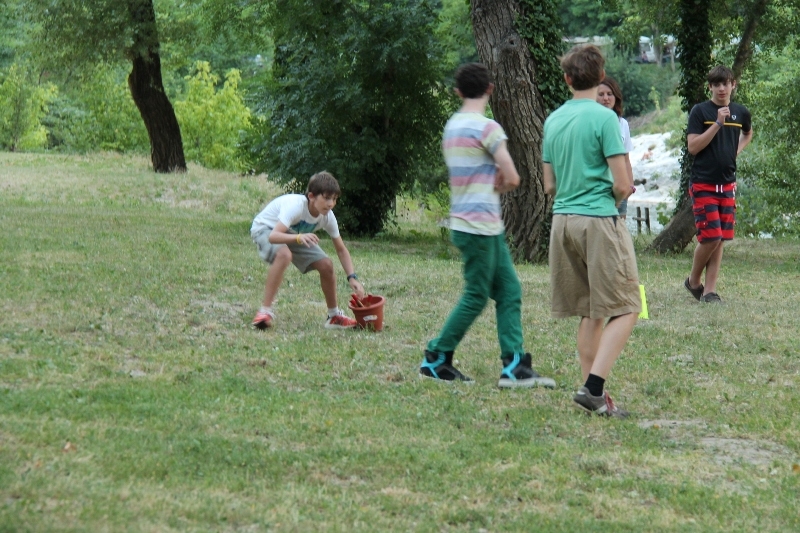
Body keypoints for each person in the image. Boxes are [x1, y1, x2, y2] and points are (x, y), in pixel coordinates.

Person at [420, 62, 555, 389]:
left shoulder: (452, 126)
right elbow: (512, 177)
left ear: (457, 91)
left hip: (474, 224)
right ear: (490, 90)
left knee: (509, 290)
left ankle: (515, 366)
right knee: (477, 295)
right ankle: (437, 356)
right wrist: (499, 186)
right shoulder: (487, 128)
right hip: (479, 224)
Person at [542, 45, 641, 417]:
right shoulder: (605, 119)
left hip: (562, 222)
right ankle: (594, 386)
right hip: (598, 221)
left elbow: (549, 185)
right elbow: (621, 183)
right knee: (629, 305)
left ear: (567, 78)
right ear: (601, 78)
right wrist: (617, 192)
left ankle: (593, 397)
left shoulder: (552, 121)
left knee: (591, 310)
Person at [250, 171, 366, 329]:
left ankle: (334, 317)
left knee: (326, 264)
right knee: (284, 255)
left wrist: (352, 277)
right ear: (311, 196)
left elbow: (341, 249)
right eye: (326, 198)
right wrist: (298, 238)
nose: (331, 203)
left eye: (334, 199)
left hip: (291, 234)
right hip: (266, 228)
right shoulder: (295, 207)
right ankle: (264, 312)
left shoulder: (327, 217)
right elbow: (274, 236)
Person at [684, 65, 753, 304]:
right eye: (716, 84)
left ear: (733, 84)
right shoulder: (700, 111)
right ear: (710, 87)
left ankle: (710, 291)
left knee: (721, 237)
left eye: (726, 83)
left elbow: (748, 133)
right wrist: (717, 124)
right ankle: (693, 281)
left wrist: (736, 151)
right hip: (703, 183)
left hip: (727, 184)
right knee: (710, 237)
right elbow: (693, 147)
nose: (721, 88)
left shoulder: (741, 112)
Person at [596, 76, 635, 219]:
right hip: (599, 189)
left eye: (609, 94)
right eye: (601, 95)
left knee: (619, 233)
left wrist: (630, 185)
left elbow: (626, 159)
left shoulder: (622, 123)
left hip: (620, 185)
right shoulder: (591, 123)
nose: (606, 98)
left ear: (616, 97)